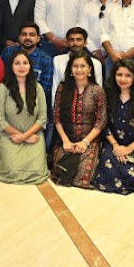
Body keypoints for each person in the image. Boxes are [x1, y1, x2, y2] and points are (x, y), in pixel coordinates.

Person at [93, 60, 134, 195]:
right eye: (119, 75)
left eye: (128, 75)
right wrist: (116, 146)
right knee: (106, 172)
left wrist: (129, 148)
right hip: (112, 143)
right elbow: (104, 125)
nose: (123, 79)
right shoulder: (107, 96)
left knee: (133, 176)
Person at [51, 50, 107, 188]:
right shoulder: (62, 88)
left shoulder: (97, 91)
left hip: (89, 140)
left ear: (90, 69)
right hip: (66, 139)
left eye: (83, 66)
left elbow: (101, 121)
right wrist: (65, 141)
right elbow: (57, 117)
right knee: (61, 174)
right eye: (75, 66)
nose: (79, 70)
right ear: (70, 69)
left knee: (82, 177)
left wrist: (85, 142)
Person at [0, 50, 49, 185]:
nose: (21, 67)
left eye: (25, 63)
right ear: (11, 67)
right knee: (13, 171)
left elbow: (42, 119)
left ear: (30, 66)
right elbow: (0, 120)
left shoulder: (37, 88)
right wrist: (22, 136)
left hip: (33, 135)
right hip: (9, 134)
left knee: (37, 171)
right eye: (17, 63)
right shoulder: (4, 88)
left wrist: (25, 136)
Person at [77, 0, 116, 69]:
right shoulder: (88, 7)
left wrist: (106, 51)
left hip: (113, 55)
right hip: (91, 54)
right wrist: (95, 51)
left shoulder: (119, 6)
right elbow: (83, 30)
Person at [52, 27, 103, 102]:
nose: (75, 43)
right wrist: (54, 106)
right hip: (64, 103)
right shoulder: (58, 60)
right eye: (71, 40)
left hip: (88, 103)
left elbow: (98, 91)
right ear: (67, 43)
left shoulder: (95, 63)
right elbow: (55, 87)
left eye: (79, 40)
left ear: (85, 43)